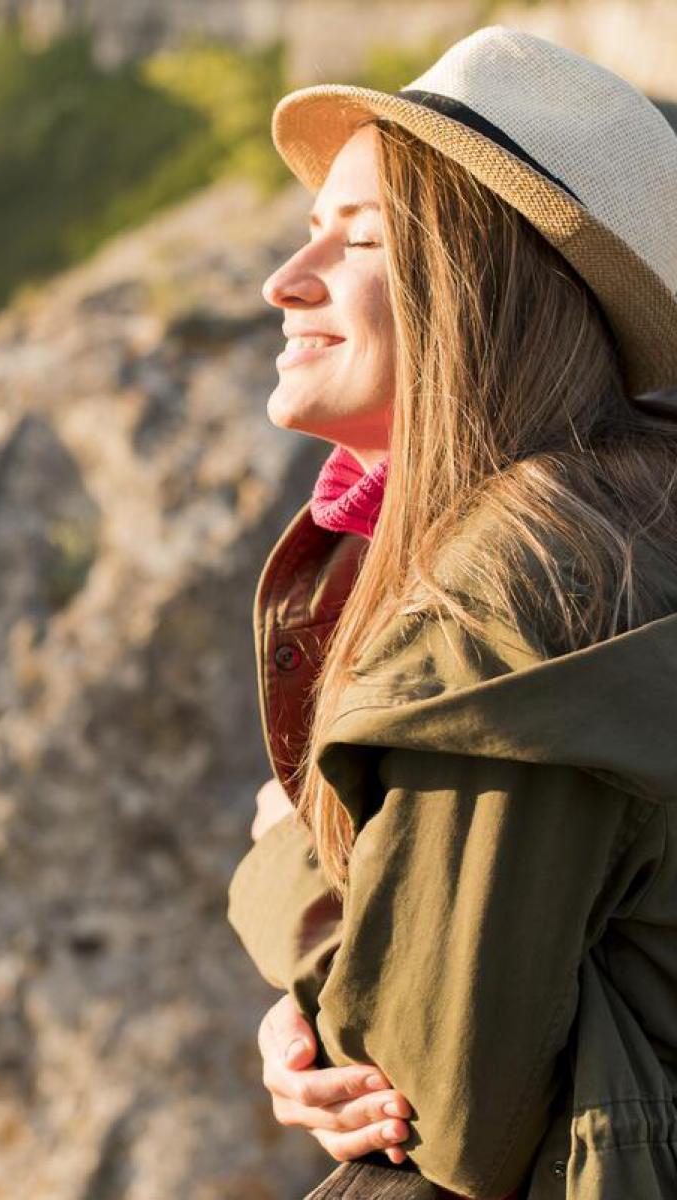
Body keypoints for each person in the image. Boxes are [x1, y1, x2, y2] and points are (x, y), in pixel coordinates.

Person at [225, 25, 677, 1200]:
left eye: (358, 237)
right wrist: (316, 1005)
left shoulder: (526, 579)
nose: (287, 281)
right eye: (309, 227)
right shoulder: (627, 519)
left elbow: (434, 1105)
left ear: (480, 290)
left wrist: (280, 863)